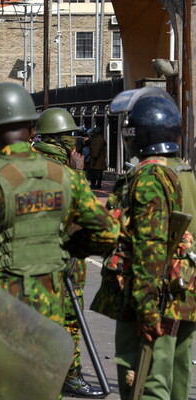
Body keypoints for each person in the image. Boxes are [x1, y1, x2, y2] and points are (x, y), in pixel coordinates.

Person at [0, 82, 119, 400]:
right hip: (51, 313)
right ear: (32, 129)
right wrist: (66, 249)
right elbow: (106, 232)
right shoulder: (66, 177)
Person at [91, 88, 196, 400]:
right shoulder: (185, 173)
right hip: (184, 294)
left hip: (155, 297)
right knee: (176, 378)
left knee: (147, 384)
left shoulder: (150, 176)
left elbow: (150, 247)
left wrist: (147, 310)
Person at [33, 107, 103, 398]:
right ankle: (67, 375)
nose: (75, 140)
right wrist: (78, 173)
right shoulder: (59, 168)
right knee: (68, 318)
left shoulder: (29, 162)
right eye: (70, 135)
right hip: (62, 255)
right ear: (59, 139)